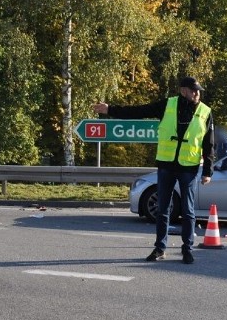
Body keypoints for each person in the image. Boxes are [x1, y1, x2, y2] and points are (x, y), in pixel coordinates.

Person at [92, 76, 215, 264]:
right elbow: (140, 111)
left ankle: (187, 249)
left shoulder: (206, 112)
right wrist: (110, 110)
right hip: (166, 165)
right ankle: (160, 248)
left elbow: (209, 144)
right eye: (193, 90)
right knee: (163, 209)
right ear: (183, 90)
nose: (197, 93)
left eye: (198, 90)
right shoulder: (169, 105)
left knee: (187, 210)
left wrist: (208, 171)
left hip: (188, 167)